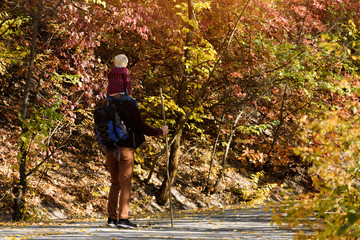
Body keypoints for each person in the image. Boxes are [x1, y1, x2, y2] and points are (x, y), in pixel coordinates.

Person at [105, 56, 168, 229]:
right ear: (127, 82)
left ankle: (111, 219)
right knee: (125, 183)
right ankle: (123, 219)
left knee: (115, 183)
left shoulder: (106, 104)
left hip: (110, 148)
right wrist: (159, 131)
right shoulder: (129, 104)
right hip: (125, 149)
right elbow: (141, 126)